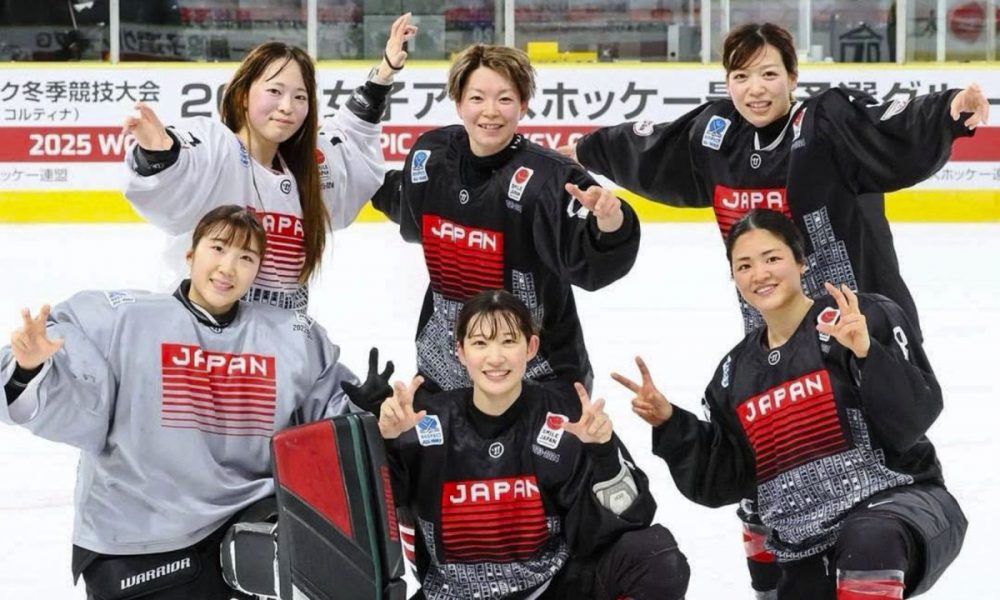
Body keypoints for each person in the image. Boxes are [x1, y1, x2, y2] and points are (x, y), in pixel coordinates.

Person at [560, 21, 987, 595]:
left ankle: (884, 540)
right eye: (740, 76)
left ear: (792, 76)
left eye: (768, 74)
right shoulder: (715, 137)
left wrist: (948, 112)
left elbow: (891, 124)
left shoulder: (828, 123)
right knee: (767, 482)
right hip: (776, 340)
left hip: (857, 327)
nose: (755, 89)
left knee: (874, 461)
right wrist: (585, 149)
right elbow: (649, 145)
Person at [1, 205, 360, 599]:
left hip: (242, 538)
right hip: (137, 540)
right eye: (218, 248)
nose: (228, 268)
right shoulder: (120, 320)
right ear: (190, 255)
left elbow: (331, 420)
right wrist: (28, 368)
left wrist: (371, 415)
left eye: (246, 257)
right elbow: (75, 401)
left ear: (257, 271)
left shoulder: (290, 335)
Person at [614, 209, 966, 599]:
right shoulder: (734, 374)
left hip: (901, 509)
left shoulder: (860, 319)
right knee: (757, 508)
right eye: (744, 265)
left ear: (801, 261)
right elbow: (727, 480)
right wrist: (670, 422)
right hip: (806, 542)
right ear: (733, 277)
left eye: (772, 258)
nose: (759, 274)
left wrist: (867, 353)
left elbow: (915, 418)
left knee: (869, 537)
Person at [378, 289, 689, 600]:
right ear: (460, 351)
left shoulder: (565, 419)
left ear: (531, 347)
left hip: (548, 590)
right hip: (453, 595)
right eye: (480, 343)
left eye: (509, 341)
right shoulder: (426, 421)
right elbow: (382, 512)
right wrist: (389, 443)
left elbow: (621, 527)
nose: (495, 357)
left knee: (655, 556)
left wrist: (603, 452)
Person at [371, 44, 640, 396]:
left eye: (505, 99)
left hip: (537, 374)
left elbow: (590, 261)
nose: (490, 112)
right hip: (445, 368)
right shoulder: (432, 156)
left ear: (523, 105)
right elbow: (403, 199)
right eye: (478, 98)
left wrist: (610, 220)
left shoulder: (549, 178)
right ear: (459, 103)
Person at [122, 14, 418, 311]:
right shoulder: (218, 148)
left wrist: (384, 73)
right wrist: (159, 153)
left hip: (278, 342)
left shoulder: (309, 166)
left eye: (300, 97)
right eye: (274, 91)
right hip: (199, 337)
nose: (287, 107)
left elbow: (350, 133)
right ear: (243, 96)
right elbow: (185, 162)